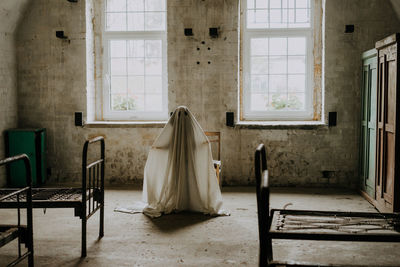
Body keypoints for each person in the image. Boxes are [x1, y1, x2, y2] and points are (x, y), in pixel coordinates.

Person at [142, 106, 229, 218]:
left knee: (179, 178)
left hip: (178, 162)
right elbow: (201, 143)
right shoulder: (190, 128)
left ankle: (179, 200)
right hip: (187, 162)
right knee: (189, 179)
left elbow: (166, 144)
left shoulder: (175, 129)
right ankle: (188, 201)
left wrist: (156, 148)